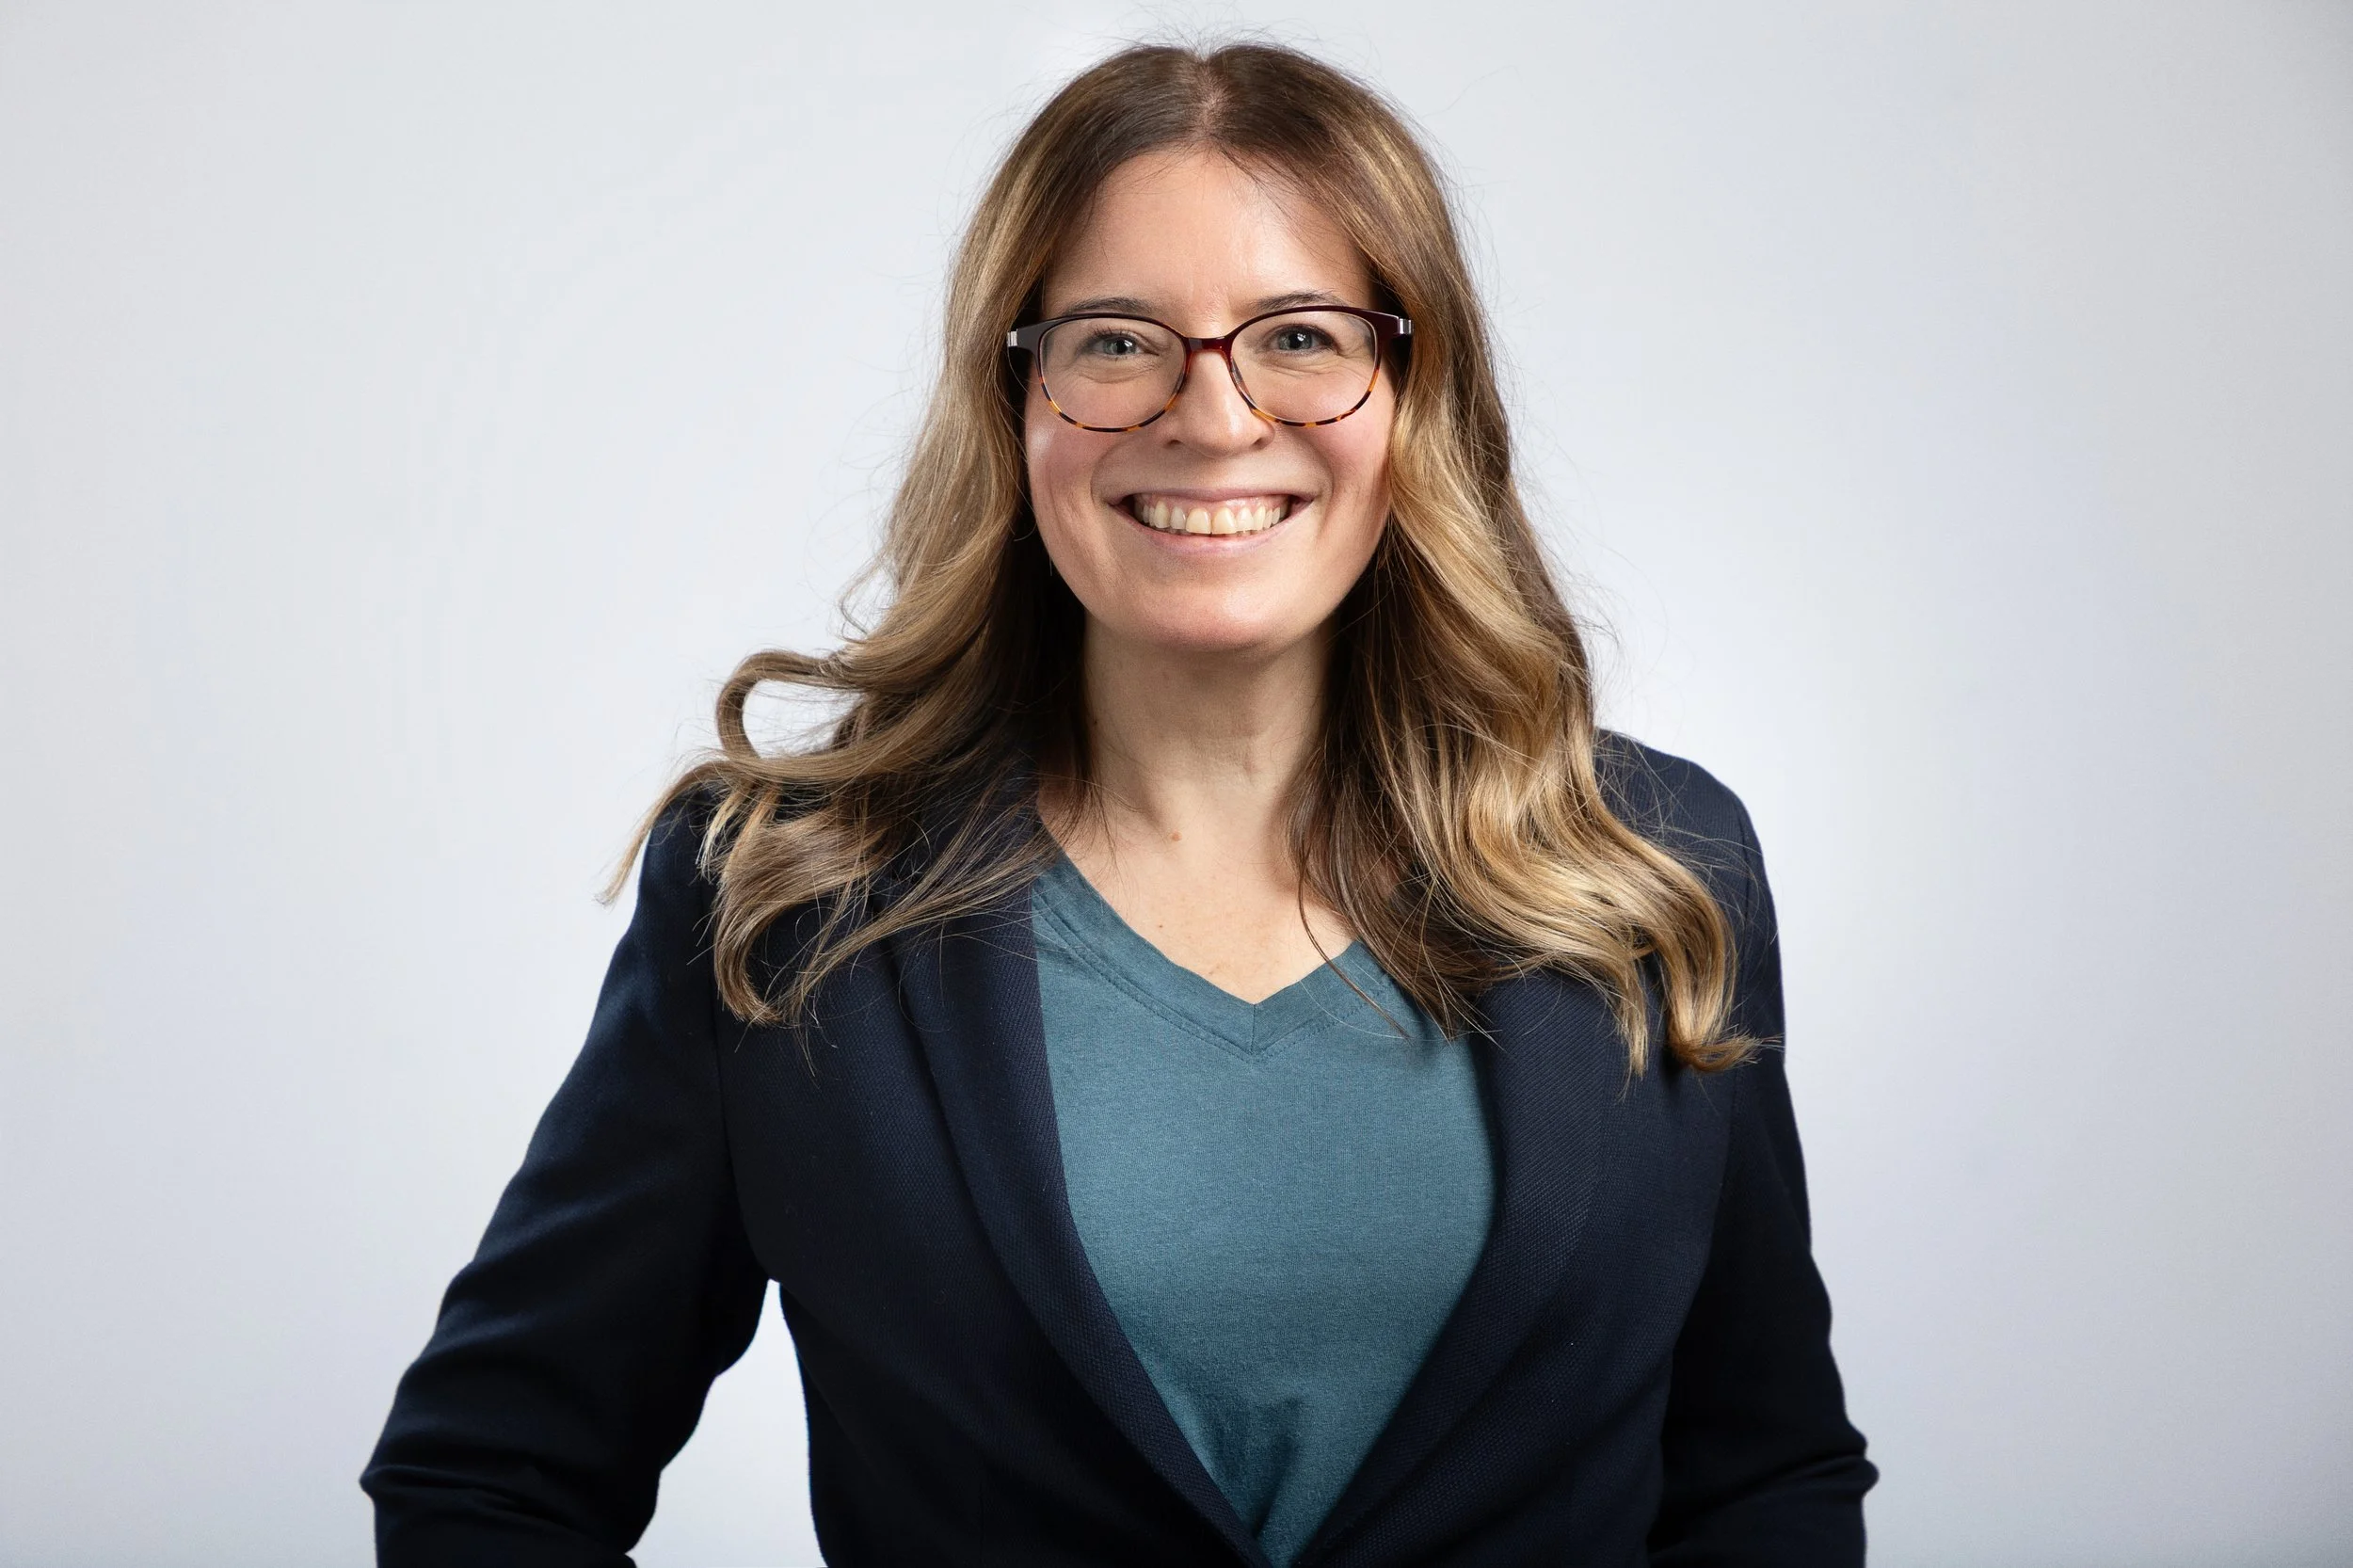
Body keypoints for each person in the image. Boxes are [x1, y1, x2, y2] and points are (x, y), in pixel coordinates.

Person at [362, 40, 1874, 1568]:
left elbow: (1764, 1482)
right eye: (1116, 341)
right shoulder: (786, 894)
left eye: (1298, 335)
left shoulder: (1657, 871)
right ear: (1014, 398)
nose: (1211, 417)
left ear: (1416, 393)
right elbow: (491, 1482)